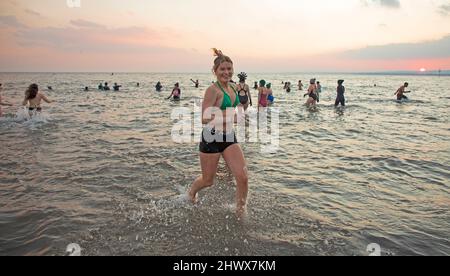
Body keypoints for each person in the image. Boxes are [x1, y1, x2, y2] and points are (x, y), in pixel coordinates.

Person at [187, 48, 248, 218]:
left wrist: (243, 114)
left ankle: (240, 211)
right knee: (208, 181)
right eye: (222, 69)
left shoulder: (234, 88)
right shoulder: (212, 90)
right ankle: (192, 192)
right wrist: (231, 116)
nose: (226, 72)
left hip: (229, 136)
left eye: (229, 69)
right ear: (215, 71)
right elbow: (204, 117)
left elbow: (238, 109)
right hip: (211, 137)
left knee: (242, 177)